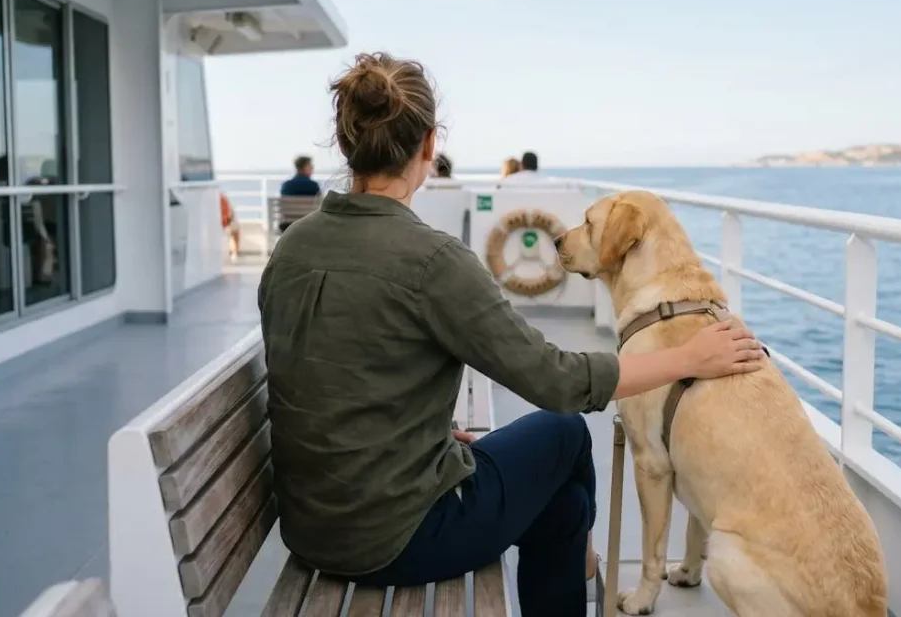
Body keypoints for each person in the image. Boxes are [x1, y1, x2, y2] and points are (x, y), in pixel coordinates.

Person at [258, 52, 763, 617]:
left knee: (565, 506)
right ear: (429, 146)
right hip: (396, 536)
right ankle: (584, 567)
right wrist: (689, 356)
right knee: (566, 434)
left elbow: (337, 367)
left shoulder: (292, 246)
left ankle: (579, 557)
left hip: (309, 527)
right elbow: (556, 383)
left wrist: (435, 439)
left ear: (346, 142)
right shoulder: (433, 261)